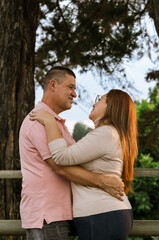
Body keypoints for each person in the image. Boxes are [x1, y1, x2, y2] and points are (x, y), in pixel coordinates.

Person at [19, 66, 124, 240]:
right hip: (47, 217)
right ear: (53, 85)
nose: (75, 94)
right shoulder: (38, 121)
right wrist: (103, 182)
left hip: (59, 215)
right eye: (71, 87)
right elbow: (59, 166)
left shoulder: (54, 123)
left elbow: (73, 161)